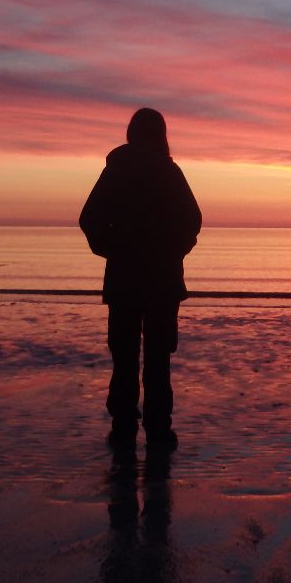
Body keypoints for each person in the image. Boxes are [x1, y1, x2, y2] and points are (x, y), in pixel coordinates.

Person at [79, 108, 202, 451]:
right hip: (158, 280)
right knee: (156, 358)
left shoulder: (119, 170)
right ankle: (156, 428)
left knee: (126, 356)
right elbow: (193, 221)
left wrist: (112, 249)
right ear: (161, 135)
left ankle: (125, 425)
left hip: (127, 279)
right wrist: (174, 250)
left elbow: (89, 219)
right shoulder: (166, 171)